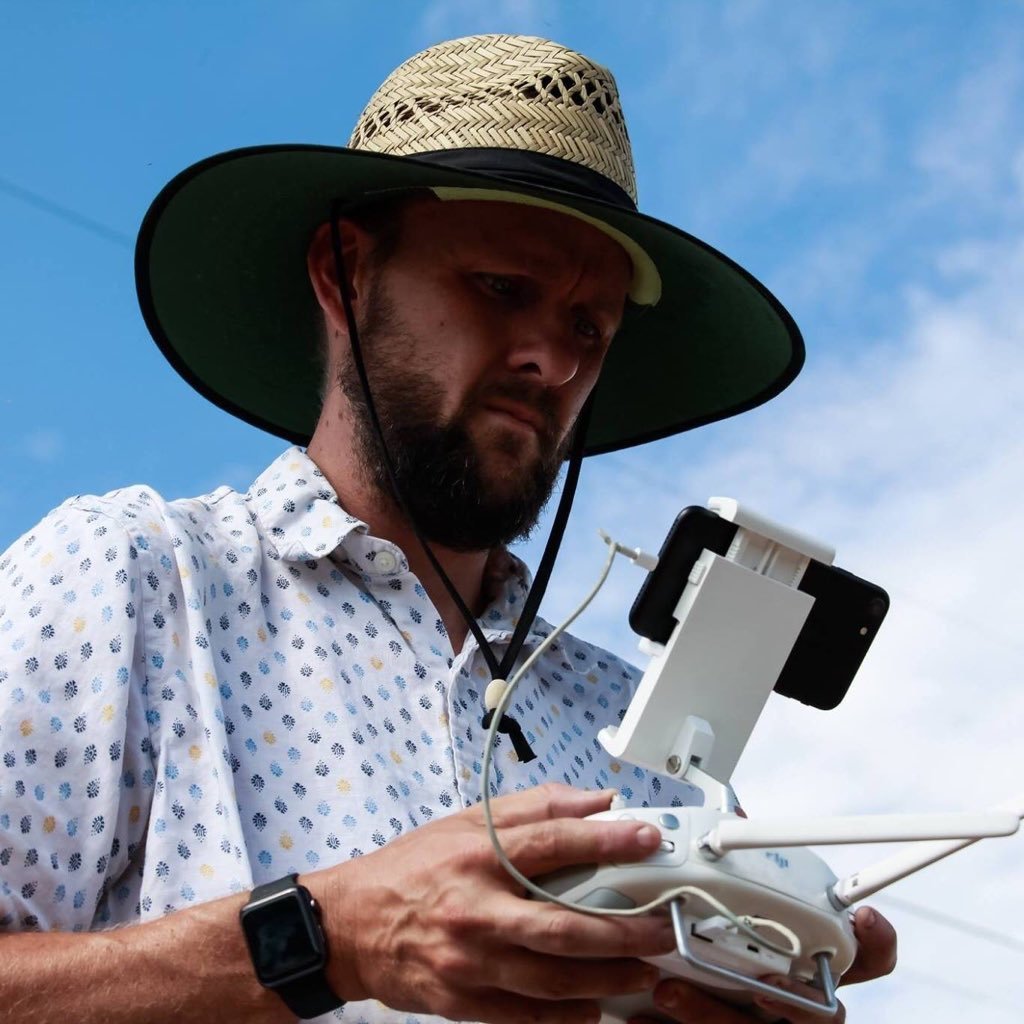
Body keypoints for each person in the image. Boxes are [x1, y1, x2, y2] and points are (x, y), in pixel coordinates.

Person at [0, 33, 896, 1024]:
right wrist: (332, 937)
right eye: (502, 288)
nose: (552, 362)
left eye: (588, 329)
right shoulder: (135, 577)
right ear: (343, 274)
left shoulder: (637, 738)